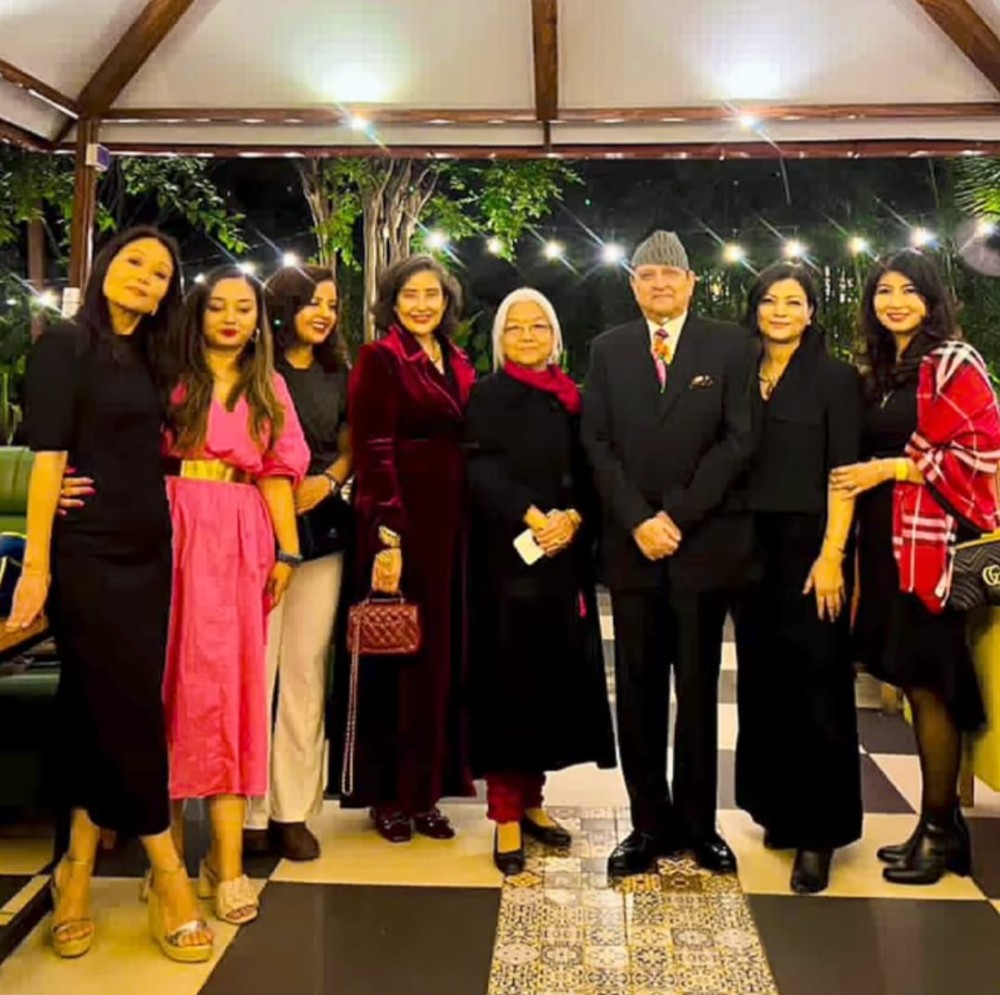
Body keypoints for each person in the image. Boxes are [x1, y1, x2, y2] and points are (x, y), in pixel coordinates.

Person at [60, 266, 309, 923]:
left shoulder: (269, 385)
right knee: (163, 686)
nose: (231, 318)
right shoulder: (163, 373)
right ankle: (163, 861)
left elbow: (278, 474)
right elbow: (110, 444)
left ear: (259, 322)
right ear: (197, 313)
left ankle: (227, 864)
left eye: (244, 308)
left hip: (239, 534)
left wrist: (287, 551)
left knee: (231, 692)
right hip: (163, 525)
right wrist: (58, 483)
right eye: (217, 306)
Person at [10, 227, 213, 962]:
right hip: (85, 550)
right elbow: (47, 460)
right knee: (127, 705)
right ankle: (167, 868)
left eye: (160, 273)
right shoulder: (66, 345)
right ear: (104, 268)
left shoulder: (156, 356)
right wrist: (37, 567)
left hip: (148, 547)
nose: (146, 278)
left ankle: (77, 866)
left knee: (93, 705)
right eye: (134, 262)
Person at [582, 230, 755, 876]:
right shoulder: (608, 349)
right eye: (647, 275)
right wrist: (637, 519)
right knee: (637, 689)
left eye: (670, 275)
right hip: (632, 550)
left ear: (691, 283)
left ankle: (699, 825)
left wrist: (675, 516)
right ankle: (647, 824)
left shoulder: (729, 346)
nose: (659, 284)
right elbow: (596, 442)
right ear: (634, 285)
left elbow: (738, 442)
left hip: (700, 545)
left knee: (700, 687)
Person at [834, 250, 1000, 885]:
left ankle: (939, 830)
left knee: (931, 683)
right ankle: (941, 828)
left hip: (931, 546)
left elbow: (983, 450)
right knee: (909, 679)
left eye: (909, 290)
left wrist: (892, 468)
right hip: (885, 547)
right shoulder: (882, 372)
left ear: (932, 300)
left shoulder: (953, 361)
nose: (896, 302)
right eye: (884, 291)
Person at [464, 288, 616, 875]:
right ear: (500, 339)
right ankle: (504, 813)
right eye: (515, 328)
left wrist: (573, 518)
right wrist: (534, 518)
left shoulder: (575, 399)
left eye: (538, 327)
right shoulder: (488, 395)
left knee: (551, 682)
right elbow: (480, 469)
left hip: (562, 561)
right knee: (509, 681)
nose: (527, 337)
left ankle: (533, 801)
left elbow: (592, 471)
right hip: (506, 560)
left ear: (555, 336)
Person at [732, 262, 863, 895]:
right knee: (763, 683)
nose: (779, 311)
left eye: (793, 301)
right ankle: (778, 811)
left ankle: (820, 833)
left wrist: (833, 553)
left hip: (812, 548)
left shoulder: (836, 379)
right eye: (769, 301)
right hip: (746, 549)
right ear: (755, 309)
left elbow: (845, 472)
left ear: (812, 312)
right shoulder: (739, 373)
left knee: (818, 683)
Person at [342, 255, 476, 843]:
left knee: (438, 663)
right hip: (401, 526)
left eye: (432, 295)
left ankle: (426, 793)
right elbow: (373, 450)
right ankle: (387, 796)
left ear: (447, 301)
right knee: (395, 659)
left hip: (453, 529)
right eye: (410, 295)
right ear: (392, 302)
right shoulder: (381, 358)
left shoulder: (458, 360)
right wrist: (387, 535)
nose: (422, 305)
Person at [243, 265, 352, 862]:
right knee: (256, 669)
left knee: (306, 668)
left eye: (331, 305)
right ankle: (248, 810)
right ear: (283, 307)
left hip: (323, 527)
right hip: (256, 528)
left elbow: (352, 440)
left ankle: (293, 810)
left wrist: (329, 480)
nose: (323, 314)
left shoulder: (340, 373)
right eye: (312, 302)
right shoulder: (253, 369)